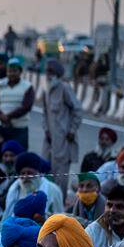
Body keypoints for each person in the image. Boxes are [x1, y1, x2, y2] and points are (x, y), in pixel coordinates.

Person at [41, 59, 82, 189]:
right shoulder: (45, 90)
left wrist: (72, 130)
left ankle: (60, 205)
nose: (48, 74)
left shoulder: (65, 88)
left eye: (51, 71)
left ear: (58, 74)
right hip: (49, 140)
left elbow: (78, 110)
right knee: (46, 173)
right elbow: (44, 113)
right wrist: (46, 130)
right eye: (47, 71)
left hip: (63, 140)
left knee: (61, 176)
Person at [0, 57, 34, 149]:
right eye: (9, 71)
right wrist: (1, 117)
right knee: (2, 156)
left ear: (20, 72)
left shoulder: (27, 86)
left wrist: (8, 117)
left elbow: (26, 107)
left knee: (19, 157)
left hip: (20, 129)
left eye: (14, 71)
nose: (11, 74)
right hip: (3, 128)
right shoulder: (0, 85)